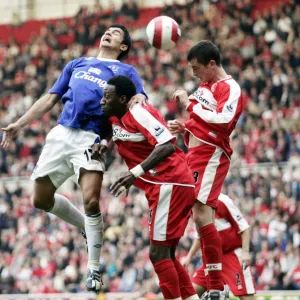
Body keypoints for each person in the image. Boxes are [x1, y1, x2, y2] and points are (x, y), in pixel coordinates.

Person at [1, 24, 147, 292]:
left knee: (91, 200)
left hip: (92, 138)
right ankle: (84, 226)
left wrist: (115, 133)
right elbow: (49, 99)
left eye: (116, 33)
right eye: (108, 30)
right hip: (61, 134)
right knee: (40, 199)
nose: (108, 33)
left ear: (123, 46)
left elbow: (139, 99)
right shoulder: (77, 63)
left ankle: (93, 268)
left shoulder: (126, 71)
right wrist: (18, 124)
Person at [92, 75, 199, 300]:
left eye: (107, 97)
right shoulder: (116, 116)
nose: (102, 101)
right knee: (167, 254)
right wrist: (103, 143)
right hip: (164, 184)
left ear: (123, 99)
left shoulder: (138, 112)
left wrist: (134, 173)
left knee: (157, 254)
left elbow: (167, 144)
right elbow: (109, 128)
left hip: (170, 181)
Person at [168, 40, 245, 300]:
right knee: (199, 217)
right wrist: (185, 126)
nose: (194, 74)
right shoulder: (205, 86)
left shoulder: (230, 87)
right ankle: (214, 286)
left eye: (197, 68)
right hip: (195, 153)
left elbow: (223, 120)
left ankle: (215, 286)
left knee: (202, 215)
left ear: (212, 64)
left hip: (212, 154)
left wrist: (189, 106)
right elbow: (201, 120)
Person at [183, 194, 255, 300]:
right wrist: (189, 256)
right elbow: (200, 236)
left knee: (246, 296)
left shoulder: (222, 201)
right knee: (191, 293)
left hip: (232, 255)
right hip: (212, 258)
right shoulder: (195, 205)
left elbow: (243, 227)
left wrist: (245, 252)